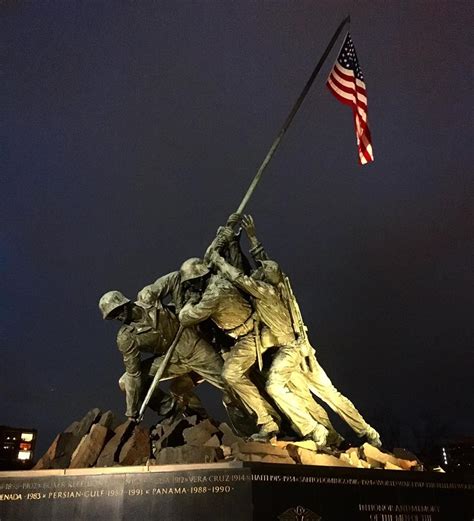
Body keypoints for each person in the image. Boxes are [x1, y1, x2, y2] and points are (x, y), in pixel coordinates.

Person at [225, 215, 382, 447]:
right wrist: (251, 237)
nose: (258, 271)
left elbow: (239, 277)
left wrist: (219, 260)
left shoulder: (266, 294)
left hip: (292, 351)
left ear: (267, 278)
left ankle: (314, 430)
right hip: (303, 349)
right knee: (329, 395)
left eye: (262, 272)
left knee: (276, 386)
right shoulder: (281, 285)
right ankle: (367, 432)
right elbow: (266, 262)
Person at [178, 229, 280, 440]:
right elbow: (210, 255)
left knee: (230, 374)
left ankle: (268, 422)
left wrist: (189, 301)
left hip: (251, 335)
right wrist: (223, 235)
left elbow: (186, 317)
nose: (190, 287)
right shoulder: (215, 279)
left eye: (191, 284)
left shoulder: (214, 293)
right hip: (240, 337)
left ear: (199, 280)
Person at [98, 290, 225, 421]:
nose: (118, 316)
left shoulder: (149, 299)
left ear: (124, 303)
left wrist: (182, 300)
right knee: (126, 382)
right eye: (113, 316)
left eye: (117, 311)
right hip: (172, 360)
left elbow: (174, 280)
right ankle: (171, 409)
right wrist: (132, 411)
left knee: (231, 383)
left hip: (197, 346)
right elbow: (133, 374)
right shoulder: (126, 337)